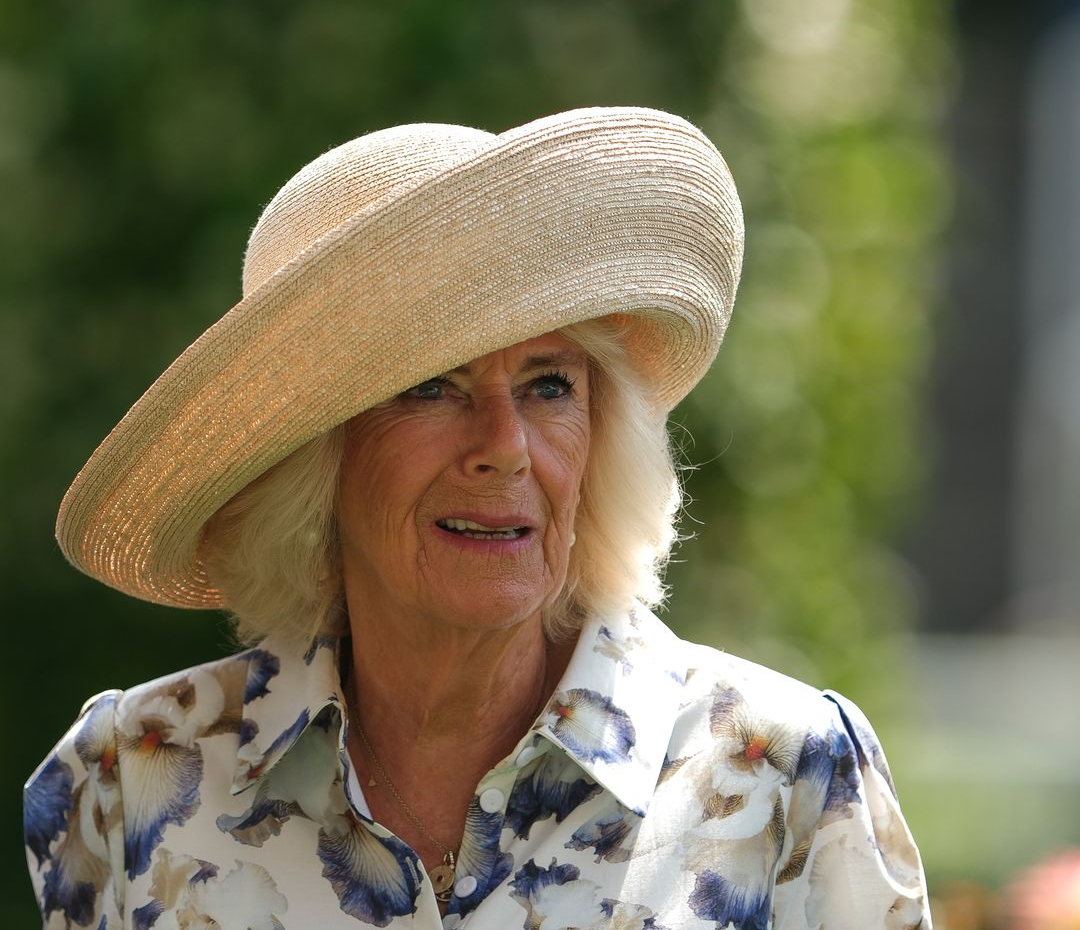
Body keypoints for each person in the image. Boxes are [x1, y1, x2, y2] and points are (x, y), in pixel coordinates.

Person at [25, 107, 931, 929]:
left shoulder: (783, 772)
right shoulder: (130, 778)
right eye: (430, 387)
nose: (504, 446)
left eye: (548, 386)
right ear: (317, 461)